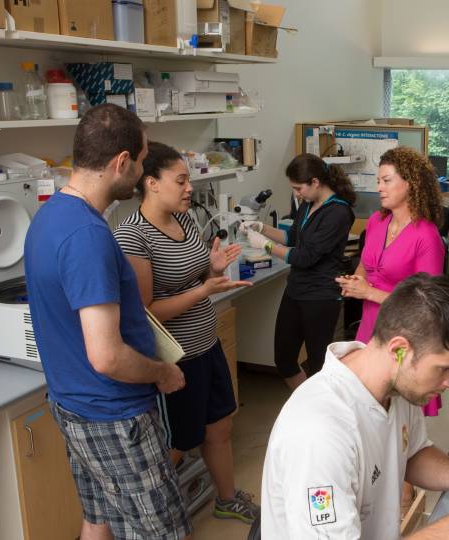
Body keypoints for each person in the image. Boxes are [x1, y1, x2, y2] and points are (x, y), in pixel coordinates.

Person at [24, 105, 191, 539]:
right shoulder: (88, 237)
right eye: (140, 160)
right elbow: (107, 355)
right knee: (164, 532)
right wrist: (162, 373)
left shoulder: (49, 216)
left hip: (72, 405)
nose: (140, 172)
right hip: (114, 416)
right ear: (120, 163)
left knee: (97, 519)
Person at [261, 273, 449, 539]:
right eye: (443, 369)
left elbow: (411, 454)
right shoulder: (319, 433)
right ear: (399, 350)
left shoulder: (398, 387)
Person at [113, 141, 259, 523]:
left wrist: (211, 270)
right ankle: (150, 516)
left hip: (206, 344)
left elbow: (196, 277)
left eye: (188, 180)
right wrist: (203, 290)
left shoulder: (185, 220)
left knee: (220, 426)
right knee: (180, 440)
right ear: (151, 183)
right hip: (176, 359)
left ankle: (226, 499)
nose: (189, 188)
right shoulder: (133, 236)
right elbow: (146, 311)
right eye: (180, 180)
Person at [336, 147, 446, 416]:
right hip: (371, 327)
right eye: (378, 181)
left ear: (410, 184)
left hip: (405, 336)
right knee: (366, 408)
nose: (379, 188)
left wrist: (369, 292)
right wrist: (356, 281)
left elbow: (427, 305)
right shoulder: (376, 222)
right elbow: (365, 265)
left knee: (398, 419)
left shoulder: (426, 236)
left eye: (386, 181)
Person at [243, 153, 356, 389]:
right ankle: (304, 404)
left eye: (298, 188)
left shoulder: (338, 212)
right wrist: (262, 228)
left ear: (315, 182)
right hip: (296, 290)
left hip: (321, 296)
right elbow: (292, 237)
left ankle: (321, 417)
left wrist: (265, 246)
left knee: (318, 365)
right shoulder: (308, 204)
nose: (296, 193)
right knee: (283, 359)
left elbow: (305, 257)